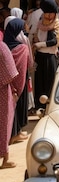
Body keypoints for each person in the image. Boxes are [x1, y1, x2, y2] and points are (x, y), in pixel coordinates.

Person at [3, 18, 30, 144]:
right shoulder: (22, 48)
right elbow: (23, 68)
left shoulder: (3, 46)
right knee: (16, 108)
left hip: (5, 83)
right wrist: (18, 87)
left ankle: (14, 133)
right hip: (19, 83)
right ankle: (15, 134)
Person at [32, 0, 59, 110]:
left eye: (51, 13)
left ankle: (48, 106)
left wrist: (41, 44)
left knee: (49, 82)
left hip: (49, 56)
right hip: (40, 56)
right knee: (39, 82)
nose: (49, 16)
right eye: (47, 13)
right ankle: (39, 106)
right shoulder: (40, 22)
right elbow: (36, 34)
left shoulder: (56, 24)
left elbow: (54, 41)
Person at [0, 41, 25, 169]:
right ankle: (5, 160)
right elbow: (11, 73)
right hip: (2, 91)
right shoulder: (2, 47)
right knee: (4, 124)